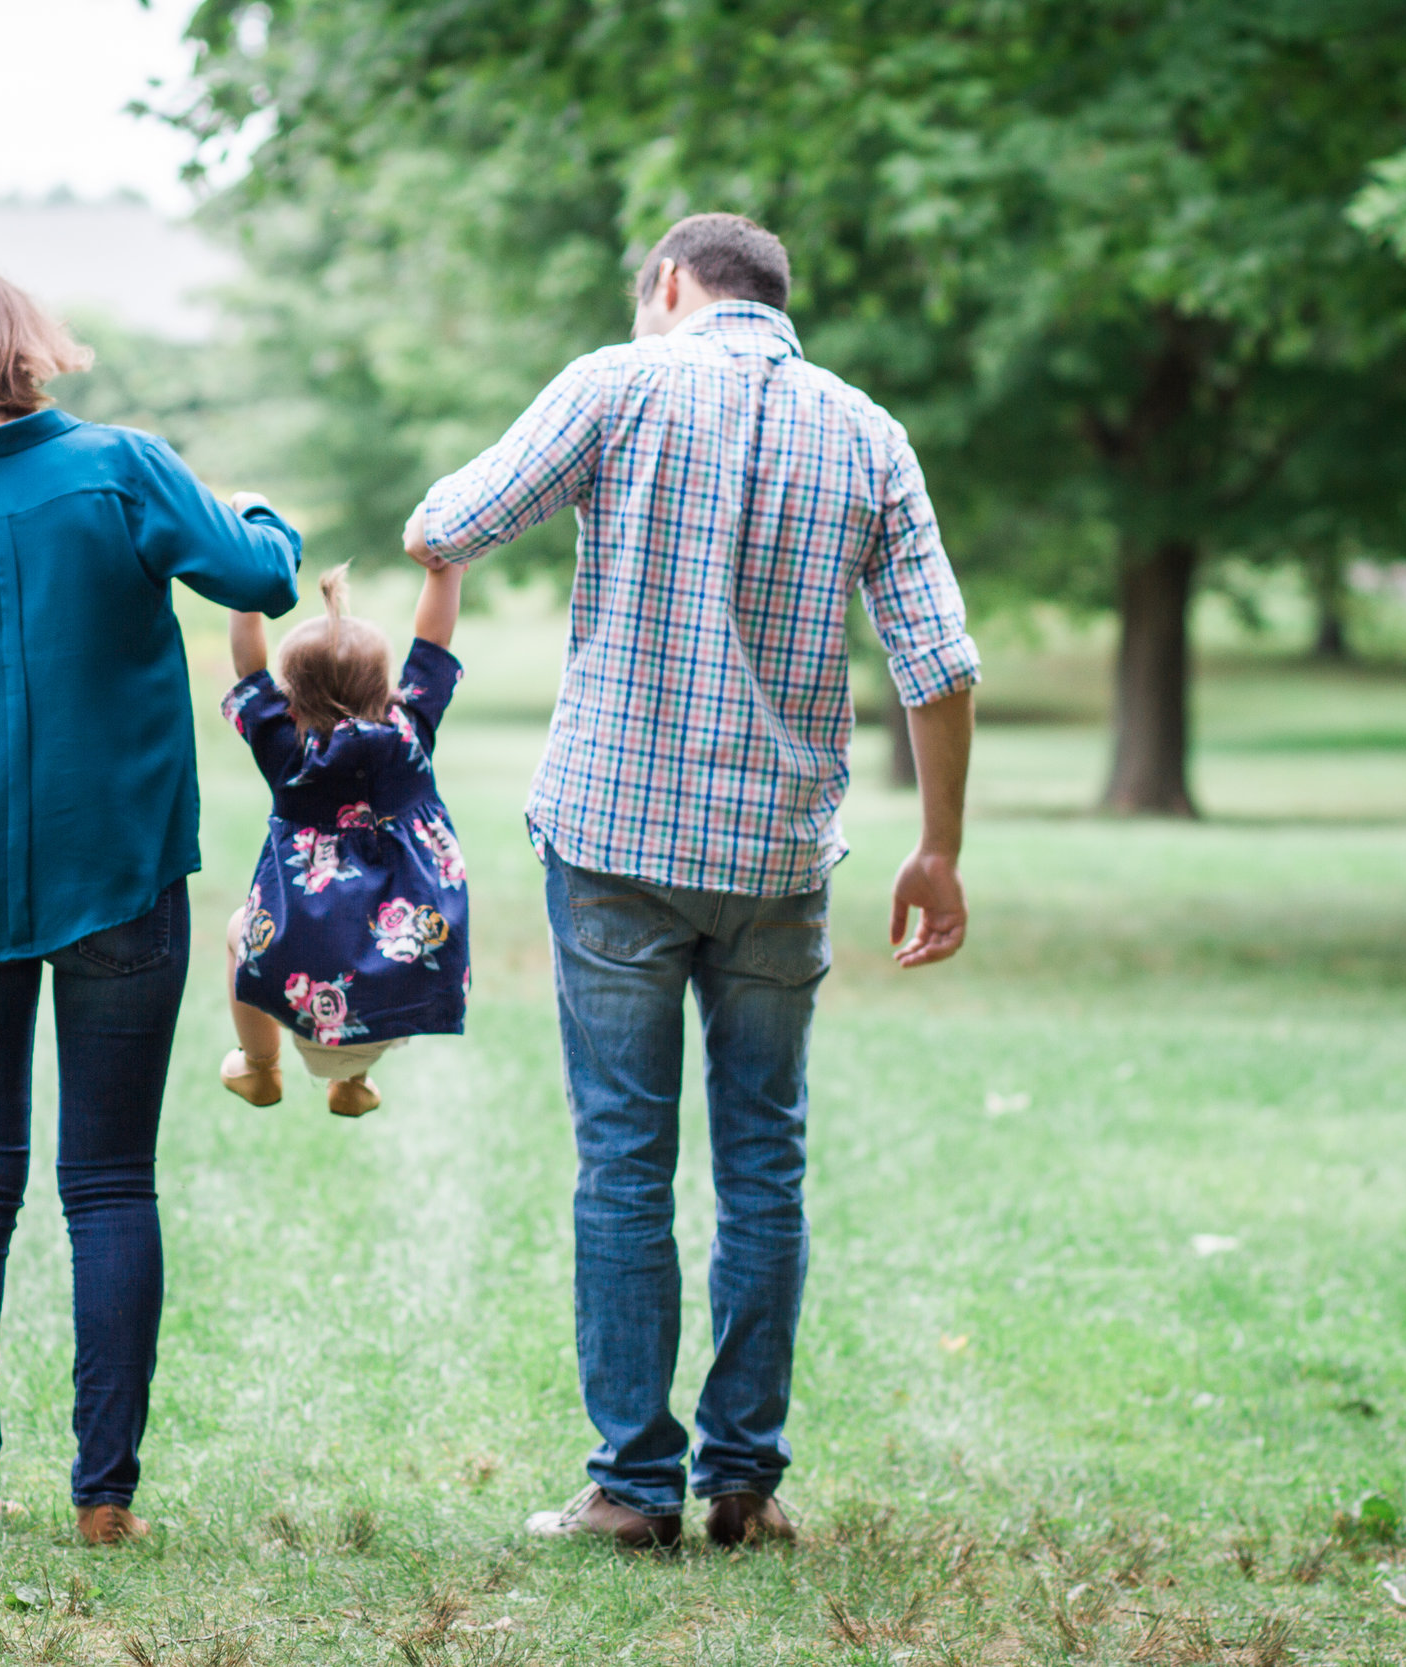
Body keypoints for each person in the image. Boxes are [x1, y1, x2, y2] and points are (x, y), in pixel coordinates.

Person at [401, 213, 980, 1549]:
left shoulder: (619, 381)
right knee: (764, 1160)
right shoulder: (869, 433)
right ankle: (743, 1483)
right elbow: (938, 664)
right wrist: (939, 845)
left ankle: (630, 1486)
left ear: (668, 284)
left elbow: (447, 523)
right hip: (778, 855)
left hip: (617, 842)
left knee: (624, 1159)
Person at [0, 259, 301, 1546]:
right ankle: (103, 1497)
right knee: (108, 1183)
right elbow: (258, 580)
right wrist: (268, 518)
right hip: (122, 879)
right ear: (23, 343)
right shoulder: (124, 467)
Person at [215, 562, 471, 1118]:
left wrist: (244, 579)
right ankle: (352, 1083)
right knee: (361, 937)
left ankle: (259, 1067)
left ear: (290, 699)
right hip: (405, 974)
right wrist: (444, 568)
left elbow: (246, 666)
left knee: (242, 930)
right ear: (387, 688)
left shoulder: (287, 754)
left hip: (300, 977)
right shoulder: (410, 734)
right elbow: (434, 643)